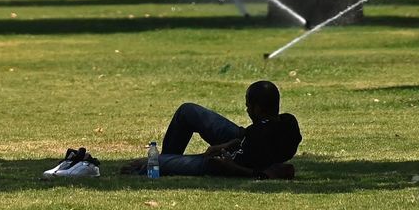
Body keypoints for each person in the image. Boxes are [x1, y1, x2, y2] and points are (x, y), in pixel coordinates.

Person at [124, 80, 301, 179]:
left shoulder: (260, 146)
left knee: (156, 163)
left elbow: (257, 171)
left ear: (258, 109)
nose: (247, 110)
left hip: (223, 164)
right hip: (236, 144)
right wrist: (230, 142)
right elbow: (251, 137)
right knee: (188, 111)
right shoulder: (286, 121)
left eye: (249, 106)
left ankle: (165, 163)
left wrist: (227, 163)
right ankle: (169, 158)